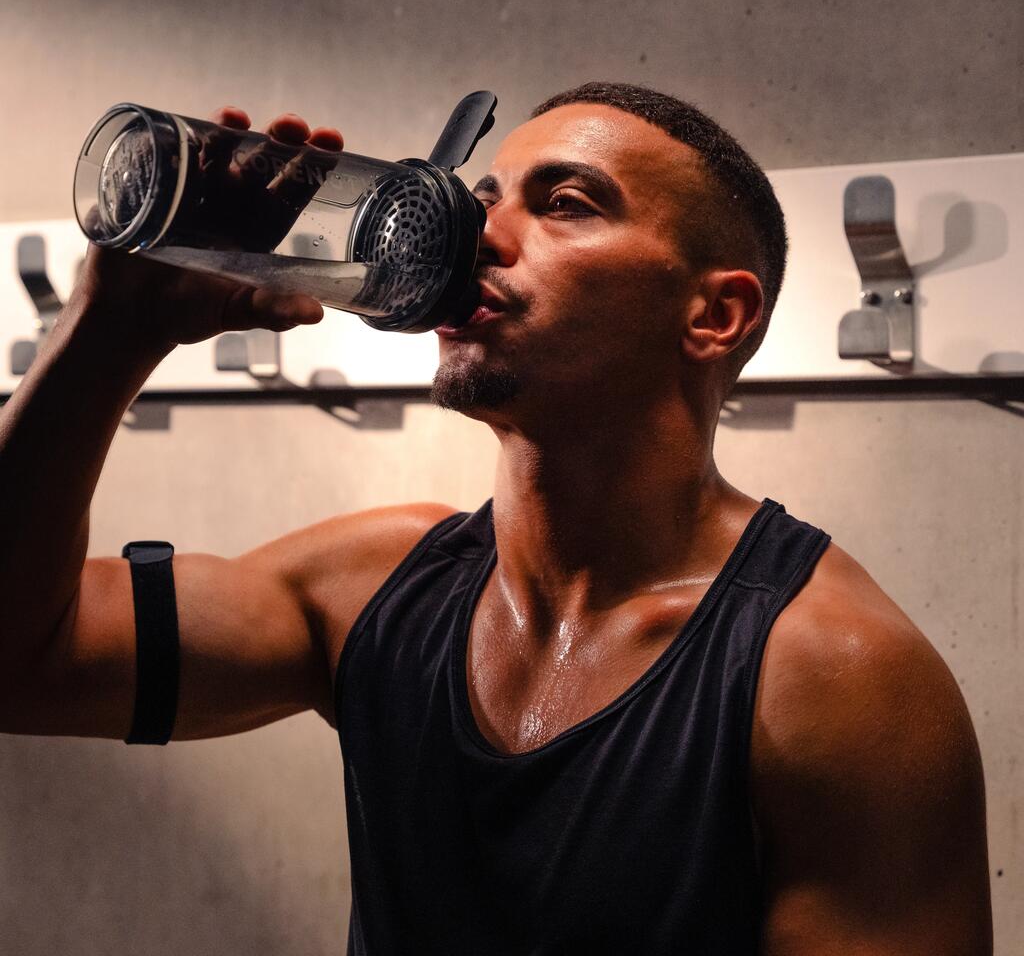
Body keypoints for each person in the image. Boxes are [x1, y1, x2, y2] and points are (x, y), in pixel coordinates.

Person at [0, 82, 992, 954]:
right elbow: (20, 662)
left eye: (566, 204)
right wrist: (109, 329)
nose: (479, 235)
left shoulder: (831, 678)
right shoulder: (370, 586)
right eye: (481, 201)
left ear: (712, 315)